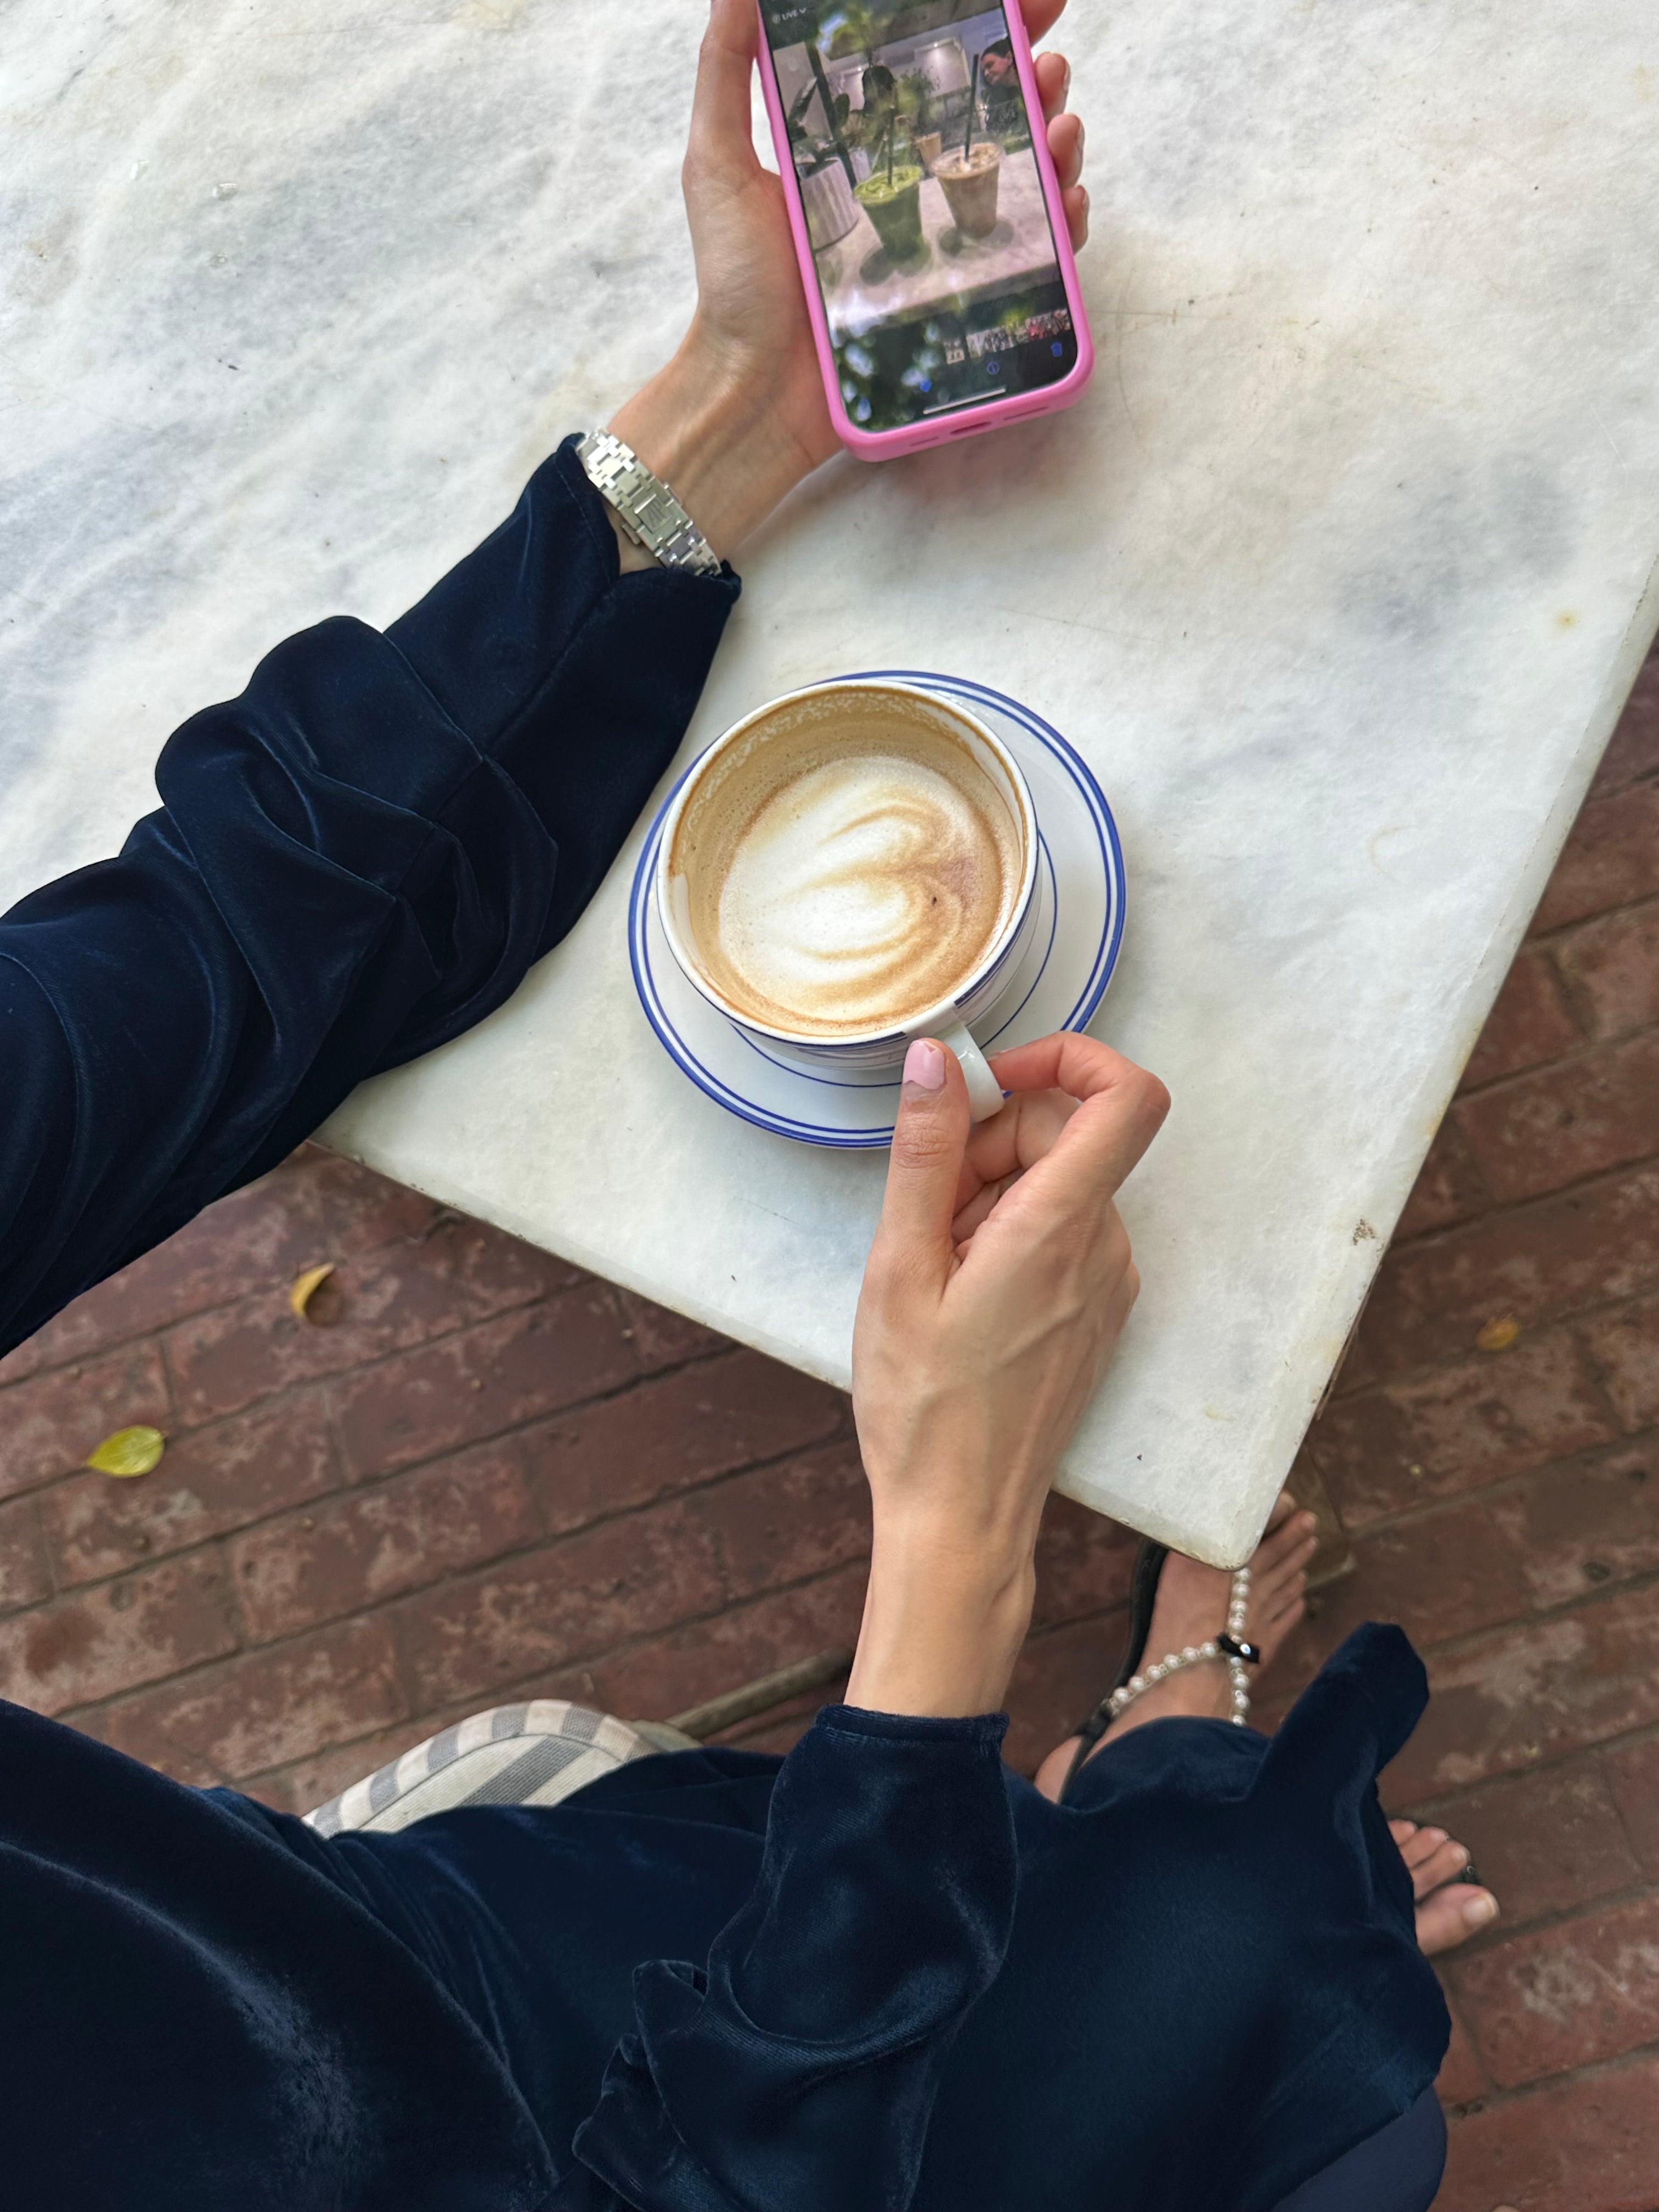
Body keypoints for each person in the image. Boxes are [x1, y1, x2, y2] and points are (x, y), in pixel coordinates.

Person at [0, 2, 1497, 2206]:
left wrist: (731, 412)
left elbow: (219, 945)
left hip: (378, 1963)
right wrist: (954, 1555)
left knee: (1069, 1912)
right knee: (1272, 1999)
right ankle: (1148, 1788)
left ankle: (1084, 1804)